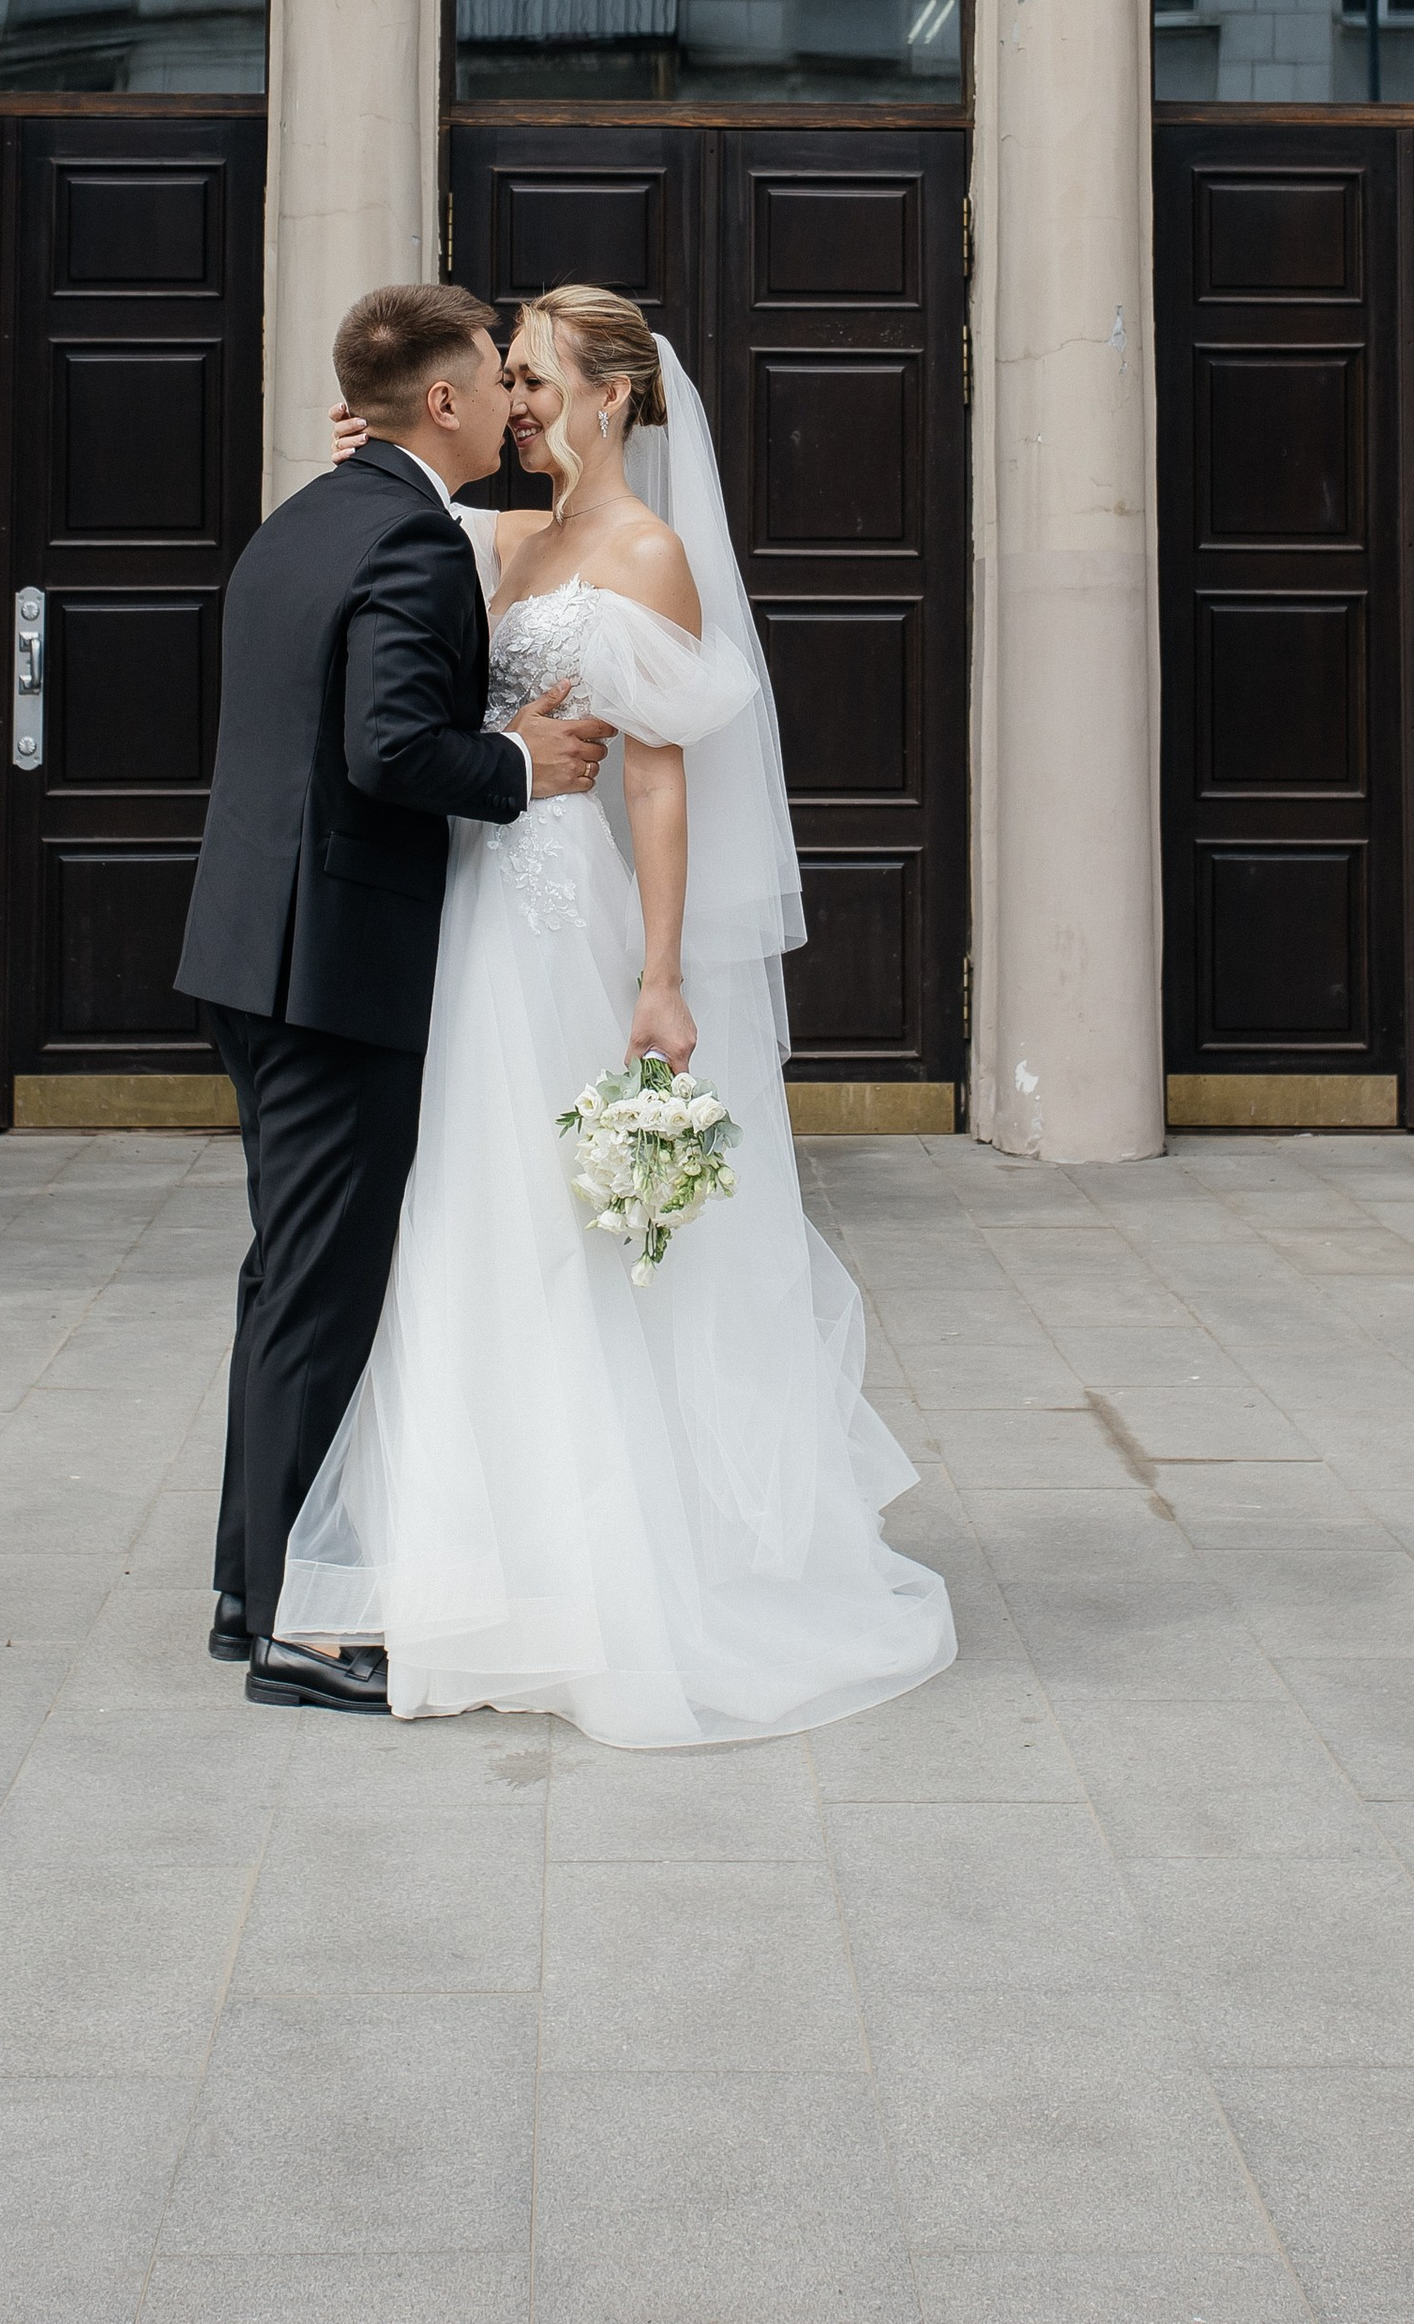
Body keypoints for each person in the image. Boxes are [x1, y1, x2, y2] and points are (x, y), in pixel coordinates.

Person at [278, 282, 956, 1748]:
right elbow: (410, 526)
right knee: (459, 1220)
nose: (512, 402)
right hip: (469, 914)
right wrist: (378, 443)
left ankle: (604, 1572)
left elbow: (660, 778)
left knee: (557, 1230)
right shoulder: (513, 538)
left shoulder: (647, 556)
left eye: (529, 378)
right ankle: (472, 1556)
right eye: (505, 379)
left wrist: (658, 977)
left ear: (614, 395)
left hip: (562, 927)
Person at [174, 282, 615, 1711]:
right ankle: (304, 1627)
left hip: (252, 954)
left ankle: (255, 1585)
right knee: (322, 1292)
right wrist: (517, 767)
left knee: (285, 1279)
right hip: (332, 973)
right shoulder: (413, 545)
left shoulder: (311, 516)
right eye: (496, 374)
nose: (512, 396)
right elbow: (382, 749)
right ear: (444, 401)